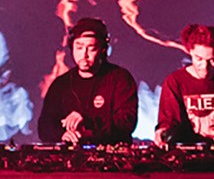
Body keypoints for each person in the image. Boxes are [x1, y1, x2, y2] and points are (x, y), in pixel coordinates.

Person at [36, 17, 139, 145]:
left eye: (91, 48)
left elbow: (126, 123)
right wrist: (62, 135)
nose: (84, 55)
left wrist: (88, 121)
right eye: (79, 48)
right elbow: (44, 126)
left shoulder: (120, 79)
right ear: (71, 48)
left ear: (103, 50)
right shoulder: (61, 84)